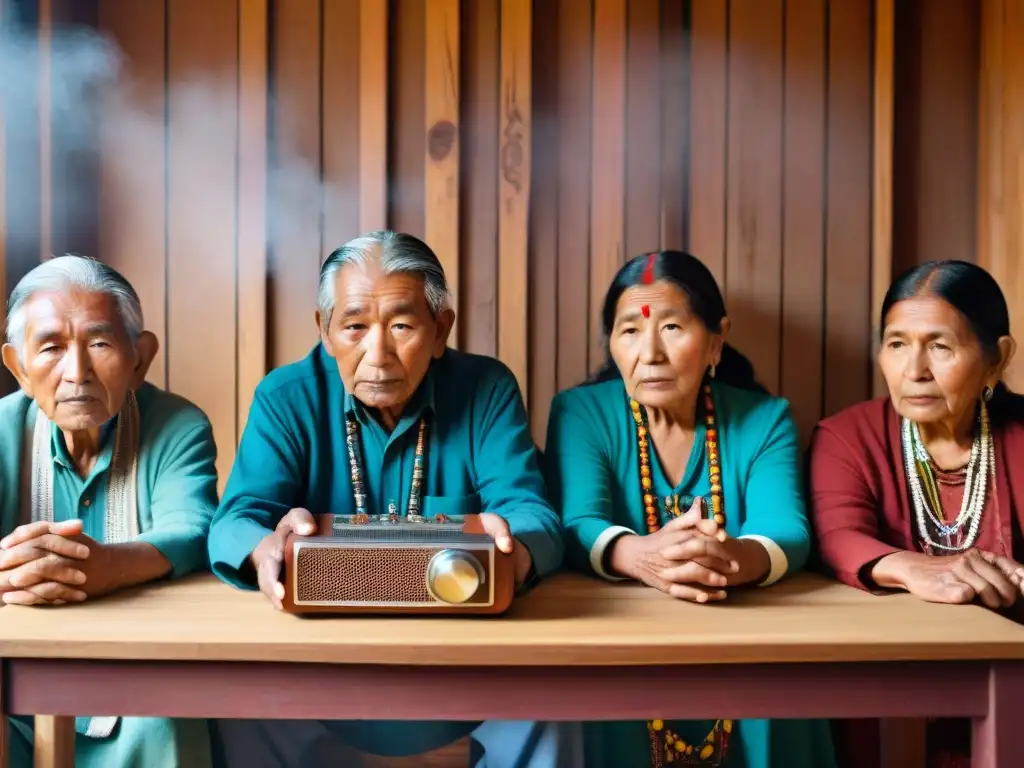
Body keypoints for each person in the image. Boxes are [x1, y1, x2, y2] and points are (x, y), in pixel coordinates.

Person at [206, 230, 580, 767]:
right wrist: (263, 549)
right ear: (325, 330)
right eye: (354, 327)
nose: (376, 354)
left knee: (557, 700)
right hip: (321, 667)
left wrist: (512, 549)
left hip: (465, 663)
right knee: (236, 702)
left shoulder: (486, 389)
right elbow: (236, 518)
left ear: (440, 330)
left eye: (402, 325)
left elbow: (531, 511)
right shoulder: (286, 396)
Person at [543, 251, 837, 768]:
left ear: (717, 340)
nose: (649, 353)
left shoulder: (764, 419)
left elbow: (787, 530)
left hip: (747, 636)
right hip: (618, 638)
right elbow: (576, 522)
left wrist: (725, 558)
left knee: (783, 689)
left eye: (672, 327)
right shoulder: (581, 412)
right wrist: (637, 555)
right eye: (629, 331)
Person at [0, 256, 219, 768]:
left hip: (141, 682)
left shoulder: (178, 425)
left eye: (99, 344)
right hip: (14, 689)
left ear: (140, 360)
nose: (76, 371)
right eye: (50, 348)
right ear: (19, 369)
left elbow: (193, 527)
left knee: (167, 710)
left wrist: (98, 568)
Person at [808, 260, 1023, 768]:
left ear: (998, 358)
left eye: (940, 346)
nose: (914, 369)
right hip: (888, 691)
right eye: (897, 343)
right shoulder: (847, 437)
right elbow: (836, 535)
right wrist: (913, 567)